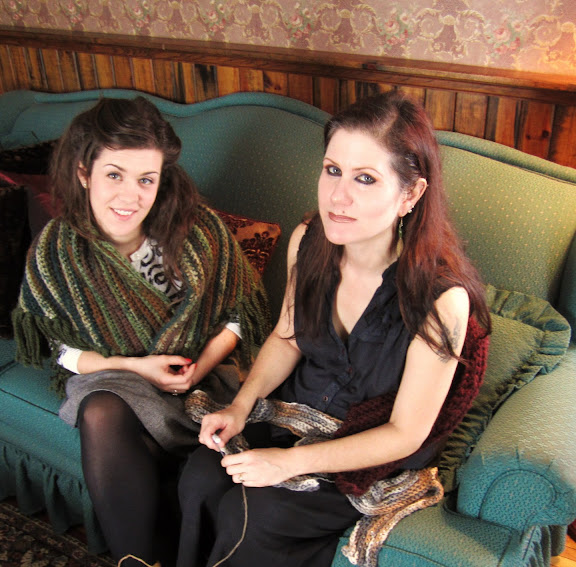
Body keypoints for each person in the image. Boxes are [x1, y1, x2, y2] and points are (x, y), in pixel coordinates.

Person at [177, 90, 491, 567]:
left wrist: (288, 463)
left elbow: (405, 433)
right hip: (291, 415)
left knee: (256, 513)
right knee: (200, 475)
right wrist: (240, 407)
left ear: (410, 195)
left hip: (363, 452)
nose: (338, 196)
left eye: (365, 178)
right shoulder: (308, 242)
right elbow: (286, 337)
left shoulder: (441, 300)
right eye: (332, 170)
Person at [11, 96, 271, 567]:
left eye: (145, 179)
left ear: (160, 179)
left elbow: (239, 314)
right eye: (114, 175)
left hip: (203, 380)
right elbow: (60, 347)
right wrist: (135, 367)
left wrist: (199, 368)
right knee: (101, 411)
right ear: (84, 172)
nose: (130, 197)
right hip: (116, 378)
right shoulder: (57, 250)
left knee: (151, 447)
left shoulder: (200, 230)